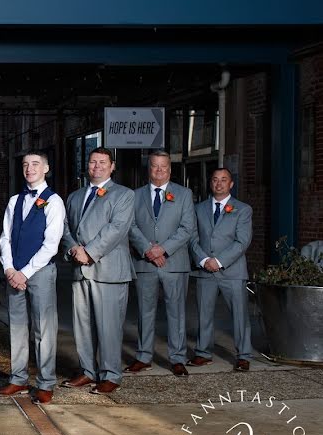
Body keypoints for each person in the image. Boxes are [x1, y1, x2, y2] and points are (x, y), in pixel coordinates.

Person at [61, 147, 135, 395]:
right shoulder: (74, 196)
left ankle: (110, 374)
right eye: (93, 162)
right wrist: (73, 249)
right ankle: (87, 371)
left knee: (109, 326)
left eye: (103, 162)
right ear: (87, 165)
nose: (97, 166)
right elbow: (65, 229)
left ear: (112, 166)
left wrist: (89, 252)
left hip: (109, 270)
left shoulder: (124, 195)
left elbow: (117, 229)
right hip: (79, 269)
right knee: (82, 325)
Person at [0, 150, 65, 405]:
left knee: (44, 329)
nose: (30, 168)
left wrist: (24, 272)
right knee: (17, 327)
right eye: (25, 164)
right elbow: (5, 237)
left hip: (41, 272)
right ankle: (18, 378)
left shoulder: (54, 201)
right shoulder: (14, 201)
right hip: (15, 274)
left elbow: (52, 244)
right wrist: (9, 269)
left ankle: (46, 383)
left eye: (35, 164)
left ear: (46, 169)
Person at [127, 150, 197, 377]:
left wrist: (163, 249)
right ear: (149, 168)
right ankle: (143, 356)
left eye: (163, 166)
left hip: (174, 263)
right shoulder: (134, 195)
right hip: (145, 263)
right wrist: (148, 250)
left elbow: (187, 228)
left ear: (170, 168)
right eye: (155, 166)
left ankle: (177, 358)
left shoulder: (184, 194)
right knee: (145, 312)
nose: (159, 170)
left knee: (176, 312)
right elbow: (130, 226)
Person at [189, 168, 254, 371]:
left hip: (232, 272)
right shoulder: (198, 209)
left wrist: (219, 260)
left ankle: (243, 355)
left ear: (231, 184)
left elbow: (242, 241)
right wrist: (203, 259)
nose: (219, 183)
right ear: (211, 183)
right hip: (205, 270)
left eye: (223, 180)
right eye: (215, 180)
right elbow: (192, 238)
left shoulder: (243, 209)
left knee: (239, 315)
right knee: (203, 313)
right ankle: (202, 353)